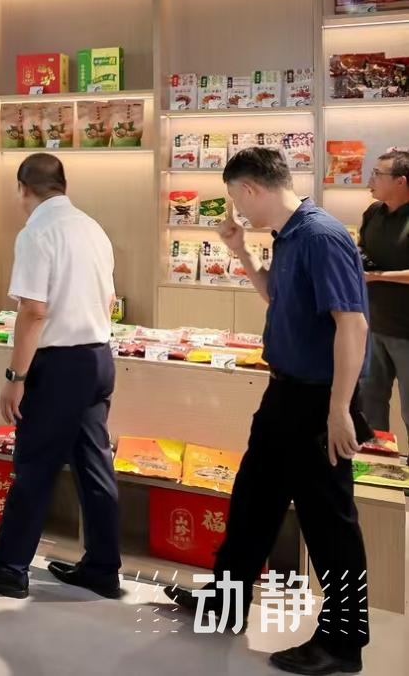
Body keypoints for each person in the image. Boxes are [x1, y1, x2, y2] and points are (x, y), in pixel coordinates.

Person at [165, 147, 371, 676]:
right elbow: (276, 298)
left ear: (250, 189)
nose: (238, 210)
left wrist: (339, 408)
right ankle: (225, 602)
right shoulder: (289, 235)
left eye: (236, 200)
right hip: (284, 394)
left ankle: (343, 644)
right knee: (253, 500)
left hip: (318, 399)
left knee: (329, 523)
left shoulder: (321, 237)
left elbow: (352, 325)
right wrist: (239, 249)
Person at [0, 153, 121, 600]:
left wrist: (16, 375)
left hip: (59, 365)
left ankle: (9, 568)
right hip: (98, 357)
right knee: (94, 464)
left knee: (35, 465)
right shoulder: (92, 228)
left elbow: (33, 311)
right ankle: (103, 567)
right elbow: (109, 300)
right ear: (63, 185)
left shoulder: (37, 233)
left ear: (22, 188)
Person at [358, 149, 409, 435]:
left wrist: (376, 277)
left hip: (406, 331)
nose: (371, 179)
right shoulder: (373, 213)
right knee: (369, 404)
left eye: (378, 174)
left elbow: (372, 274)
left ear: (401, 181)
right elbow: (363, 250)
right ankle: (374, 458)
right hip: (373, 326)